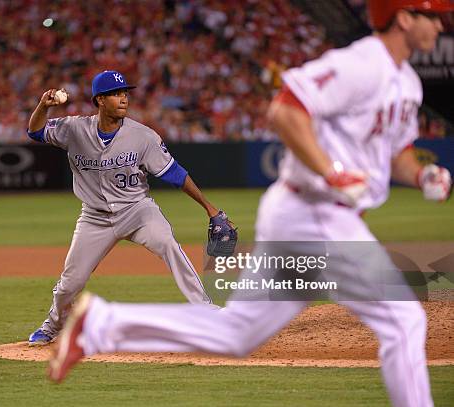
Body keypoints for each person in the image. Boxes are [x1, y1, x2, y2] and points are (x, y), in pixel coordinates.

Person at [47, 2, 453, 406]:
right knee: (403, 321)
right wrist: (331, 172)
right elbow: (285, 111)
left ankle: (103, 323)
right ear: (404, 18)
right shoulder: (361, 64)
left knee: (237, 333)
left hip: (307, 216)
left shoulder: (407, 83)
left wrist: (420, 175)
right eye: (433, 16)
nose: (442, 23)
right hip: (316, 211)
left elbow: (397, 151)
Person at [26, 70, 232, 345]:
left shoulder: (143, 136)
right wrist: (43, 106)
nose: (123, 98)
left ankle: (206, 311)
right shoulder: (74, 129)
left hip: (137, 211)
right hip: (94, 218)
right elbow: (36, 131)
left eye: (125, 93)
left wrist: (210, 208)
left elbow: (175, 174)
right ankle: (54, 325)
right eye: (115, 94)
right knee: (69, 284)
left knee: (169, 245)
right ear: (99, 100)